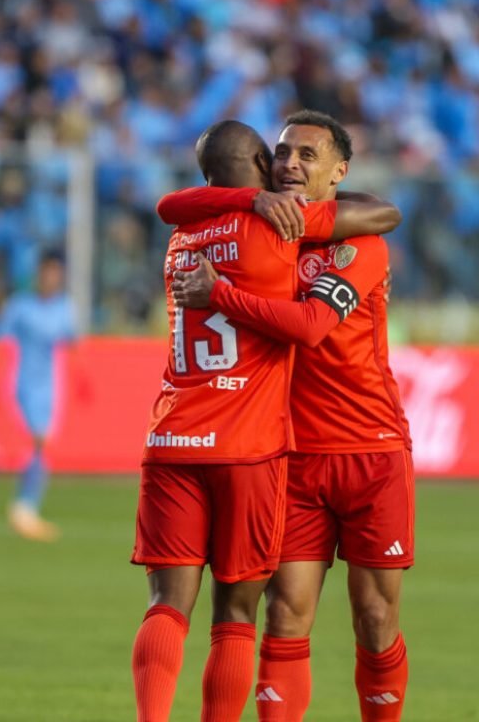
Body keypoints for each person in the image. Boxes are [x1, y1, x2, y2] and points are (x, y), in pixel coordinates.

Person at [131, 119, 400, 722]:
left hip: (195, 434)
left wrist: (230, 253)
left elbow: (169, 203)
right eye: (278, 154)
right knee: (255, 615)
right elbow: (383, 214)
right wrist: (257, 204)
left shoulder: (187, 235)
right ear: (257, 164)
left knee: (168, 607)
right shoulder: (278, 227)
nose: (288, 165)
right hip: (264, 449)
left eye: (306, 154)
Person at [0, 247, 76, 541]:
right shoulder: (20, 306)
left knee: (41, 447)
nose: (52, 278)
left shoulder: (65, 308)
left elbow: (73, 342)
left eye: (57, 273)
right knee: (36, 444)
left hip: (50, 388)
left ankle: (25, 508)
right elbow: (0, 342)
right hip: (21, 384)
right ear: (38, 274)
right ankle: (24, 508)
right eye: (47, 272)